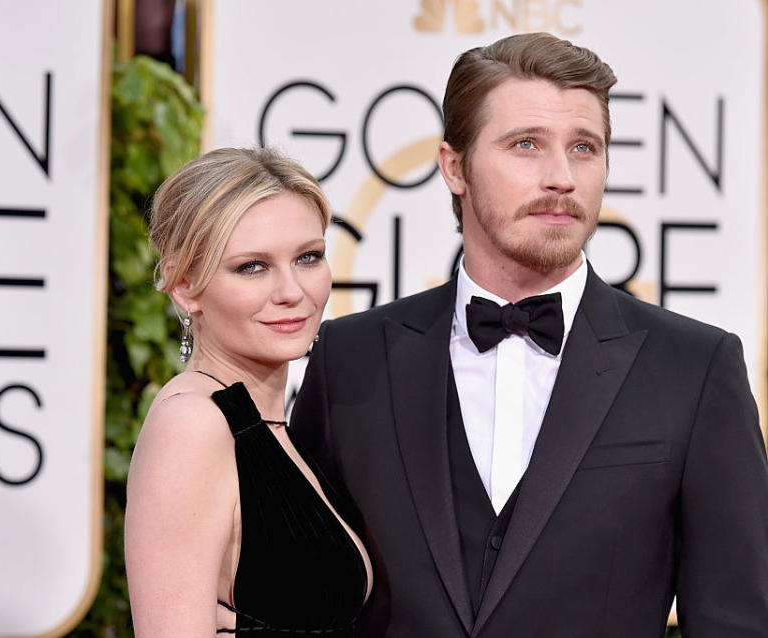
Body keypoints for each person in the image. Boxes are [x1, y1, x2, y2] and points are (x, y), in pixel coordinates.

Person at [291, 32, 768, 637]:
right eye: (526, 145)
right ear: (454, 167)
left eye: (584, 148)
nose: (561, 177)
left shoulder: (696, 369)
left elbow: (738, 622)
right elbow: (298, 600)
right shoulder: (350, 359)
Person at [124, 147, 373, 637]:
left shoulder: (278, 428)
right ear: (186, 286)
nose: (291, 291)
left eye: (308, 257)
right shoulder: (193, 424)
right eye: (252, 267)